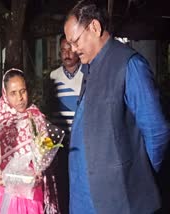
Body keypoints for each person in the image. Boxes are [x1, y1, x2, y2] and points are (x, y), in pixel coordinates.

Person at [63, 0, 170, 213]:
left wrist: (137, 178)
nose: (73, 50)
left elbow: (157, 132)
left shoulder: (129, 65)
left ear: (94, 27)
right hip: (85, 196)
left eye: (75, 41)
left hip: (116, 200)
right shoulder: (91, 68)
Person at [0, 68, 61, 214]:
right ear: (5, 94)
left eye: (23, 91)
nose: (20, 98)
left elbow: (46, 148)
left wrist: (40, 169)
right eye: (13, 93)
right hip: (6, 189)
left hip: (31, 189)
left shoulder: (37, 117)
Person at [49, 34, 83, 134]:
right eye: (63, 50)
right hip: (60, 138)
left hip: (81, 136)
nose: (66, 54)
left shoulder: (87, 74)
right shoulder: (53, 76)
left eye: (70, 49)